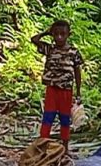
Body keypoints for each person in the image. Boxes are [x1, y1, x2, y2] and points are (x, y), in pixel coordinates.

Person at [31, 20, 83, 150]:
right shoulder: (49, 49)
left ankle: (64, 147)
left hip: (66, 90)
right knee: (48, 118)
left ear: (68, 35)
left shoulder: (73, 52)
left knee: (65, 119)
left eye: (63, 34)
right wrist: (46, 32)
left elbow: (77, 72)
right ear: (52, 35)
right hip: (52, 90)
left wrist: (78, 91)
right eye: (56, 34)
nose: (59, 37)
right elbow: (34, 39)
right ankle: (42, 145)